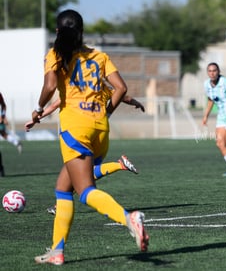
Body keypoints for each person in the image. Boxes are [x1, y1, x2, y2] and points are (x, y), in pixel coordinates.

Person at [33, 10, 148, 265]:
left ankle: (128, 218)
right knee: (63, 188)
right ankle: (57, 251)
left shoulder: (56, 54)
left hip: (75, 129)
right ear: (82, 31)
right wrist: (105, 112)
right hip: (100, 129)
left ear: (57, 32)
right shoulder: (99, 55)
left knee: (85, 190)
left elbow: (51, 86)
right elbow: (121, 88)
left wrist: (39, 108)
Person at [25, 84, 145, 215]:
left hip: (81, 132)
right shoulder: (103, 87)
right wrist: (136, 103)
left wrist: (36, 119)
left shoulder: (75, 88)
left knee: (76, 173)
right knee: (88, 172)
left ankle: (61, 205)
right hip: (102, 133)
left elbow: (54, 105)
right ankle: (119, 165)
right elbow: (123, 95)